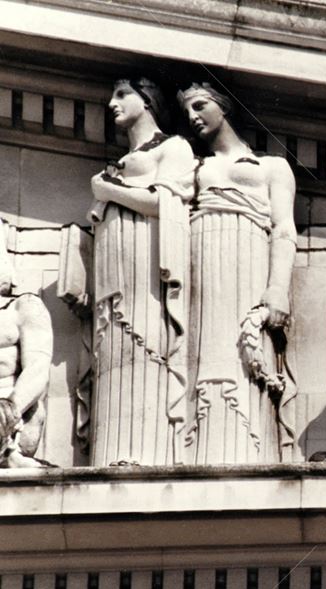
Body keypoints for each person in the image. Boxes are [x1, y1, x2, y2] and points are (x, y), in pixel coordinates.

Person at [178, 82, 297, 463]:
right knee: (209, 352)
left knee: (243, 358)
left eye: (200, 106)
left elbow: (283, 229)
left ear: (224, 106)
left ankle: (246, 445)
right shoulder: (195, 167)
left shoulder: (272, 166)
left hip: (249, 257)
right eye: (187, 112)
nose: (193, 117)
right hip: (204, 258)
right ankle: (202, 445)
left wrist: (278, 288)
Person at [85, 78, 194, 465]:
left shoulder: (173, 146)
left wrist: (109, 190)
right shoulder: (120, 163)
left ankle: (150, 453)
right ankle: (112, 450)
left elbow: (163, 201)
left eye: (121, 94)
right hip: (115, 260)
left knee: (146, 338)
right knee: (115, 345)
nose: (110, 102)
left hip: (149, 265)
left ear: (147, 101)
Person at [0, 234, 53, 467]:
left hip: (11, 416)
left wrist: (9, 410)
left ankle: (10, 456)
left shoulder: (23, 307)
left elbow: (38, 369)